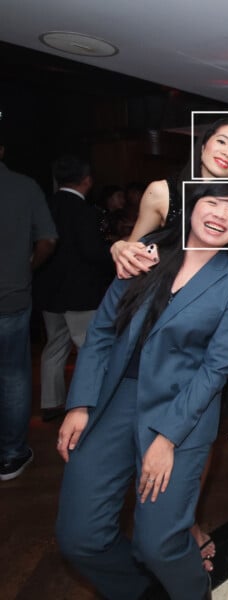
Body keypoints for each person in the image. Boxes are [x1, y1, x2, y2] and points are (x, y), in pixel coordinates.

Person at [55, 183, 228, 600]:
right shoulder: (146, 255)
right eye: (212, 202)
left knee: (159, 544)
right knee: (79, 536)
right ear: (191, 208)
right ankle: (137, 590)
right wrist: (79, 403)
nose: (220, 214)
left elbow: (218, 367)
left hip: (180, 411)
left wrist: (167, 438)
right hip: (113, 401)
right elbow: (102, 332)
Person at [111, 117, 228, 278]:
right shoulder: (162, 192)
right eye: (222, 141)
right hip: (162, 285)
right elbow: (133, 249)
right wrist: (120, 247)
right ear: (203, 145)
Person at [35, 155, 114, 422]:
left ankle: (51, 402)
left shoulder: (46, 205)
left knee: (54, 346)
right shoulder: (84, 211)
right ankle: (91, 404)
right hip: (80, 293)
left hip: (49, 291)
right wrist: (113, 251)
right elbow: (92, 251)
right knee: (90, 348)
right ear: (87, 180)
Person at [0, 138, 57, 481]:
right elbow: (48, 239)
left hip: (13, 297)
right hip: (11, 297)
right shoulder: (24, 187)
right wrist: (26, 268)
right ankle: (11, 454)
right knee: (13, 377)